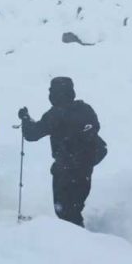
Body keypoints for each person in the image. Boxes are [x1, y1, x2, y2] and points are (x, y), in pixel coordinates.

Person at [18, 76, 106, 227]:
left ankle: (76, 243)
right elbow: (95, 128)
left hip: (65, 170)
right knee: (75, 208)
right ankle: (82, 241)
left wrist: (25, 119)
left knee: (65, 212)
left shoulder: (55, 114)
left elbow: (32, 134)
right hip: (85, 168)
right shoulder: (85, 109)